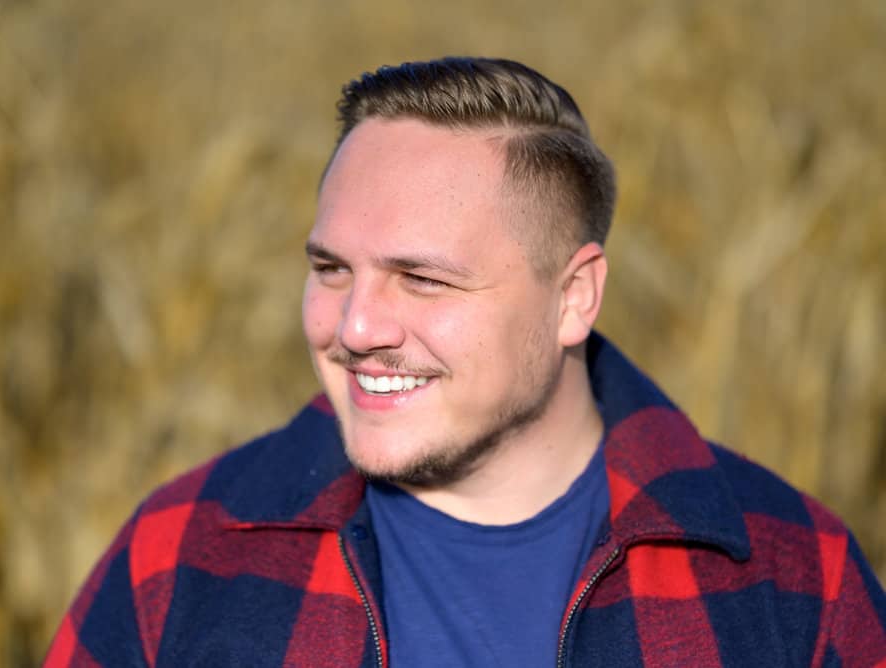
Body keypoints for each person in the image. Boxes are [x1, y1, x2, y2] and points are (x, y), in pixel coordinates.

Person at [45, 57, 886, 667]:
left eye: (422, 278)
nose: (357, 324)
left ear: (574, 298)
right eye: (330, 268)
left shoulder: (794, 578)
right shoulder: (183, 553)